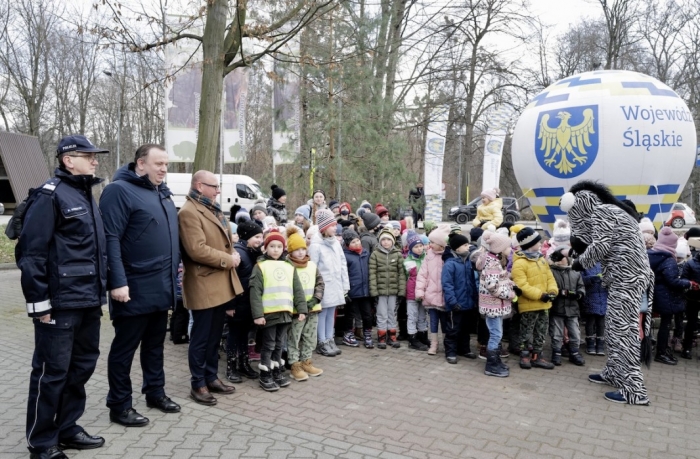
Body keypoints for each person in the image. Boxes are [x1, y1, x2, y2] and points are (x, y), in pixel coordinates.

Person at [18, 135, 109, 459]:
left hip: (87, 301)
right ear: (68, 160)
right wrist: (39, 305)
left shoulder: (86, 197)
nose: (95, 160)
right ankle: (41, 443)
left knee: (80, 368)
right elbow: (31, 254)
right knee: (51, 373)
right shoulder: (50, 196)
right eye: (89, 155)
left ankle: (68, 428)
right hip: (59, 304)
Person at [100, 144, 180, 426]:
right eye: (158, 164)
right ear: (140, 164)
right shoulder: (118, 191)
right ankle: (119, 405)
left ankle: (155, 392)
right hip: (132, 288)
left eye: (166, 164)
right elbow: (109, 239)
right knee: (125, 349)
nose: (164, 169)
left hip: (161, 286)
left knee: (155, 346)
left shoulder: (162, 194)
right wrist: (117, 282)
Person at [559, 181, 654, 405]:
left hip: (628, 279)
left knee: (623, 331)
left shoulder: (603, 212)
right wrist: (572, 252)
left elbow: (600, 246)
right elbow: (602, 244)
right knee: (613, 328)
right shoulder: (612, 212)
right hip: (624, 278)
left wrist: (578, 264)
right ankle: (614, 371)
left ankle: (634, 390)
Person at [178, 170, 244, 405]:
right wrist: (228, 259)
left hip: (219, 282)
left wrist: (231, 252)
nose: (218, 191)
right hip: (204, 283)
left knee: (215, 335)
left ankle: (211, 376)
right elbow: (196, 249)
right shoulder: (188, 212)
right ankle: (198, 384)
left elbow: (221, 241)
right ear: (198, 185)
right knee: (201, 337)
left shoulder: (210, 208)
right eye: (213, 186)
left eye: (218, 186)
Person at [249, 230, 307, 391]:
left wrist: (302, 309)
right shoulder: (260, 266)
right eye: (272, 246)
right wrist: (258, 314)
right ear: (266, 248)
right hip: (269, 314)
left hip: (285, 313)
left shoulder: (289, 266)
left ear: (284, 248)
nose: (275, 249)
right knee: (268, 344)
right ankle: (265, 373)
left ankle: (276, 371)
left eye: (279, 246)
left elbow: (298, 289)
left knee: (280, 344)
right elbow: (255, 292)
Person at [512, 227, 558, 370]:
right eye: (538, 241)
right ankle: (524, 355)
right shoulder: (519, 263)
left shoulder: (541, 260)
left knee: (541, 331)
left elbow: (549, 277)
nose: (541, 243)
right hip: (529, 304)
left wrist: (552, 291)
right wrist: (540, 295)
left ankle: (537, 356)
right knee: (526, 332)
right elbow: (522, 285)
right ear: (530, 244)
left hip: (544, 304)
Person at [647, 227, 694, 365]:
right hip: (666, 296)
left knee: (651, 324)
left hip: (652, 293)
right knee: (665, 325)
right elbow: (672, 280)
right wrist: (688, 283)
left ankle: (657, 350)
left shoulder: (650, 254)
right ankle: (661, 352)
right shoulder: (668, 259)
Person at [226, 221, 264, 383]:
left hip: (248, 302)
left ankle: (244, 363)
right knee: (234, 335)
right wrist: (230, 305)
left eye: (261, 236)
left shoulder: (252, 252)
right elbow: (229, 280)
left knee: (244, 334)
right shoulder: (239, 254)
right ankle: (231, 366)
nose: (260, 239)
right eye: (256, 236)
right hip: (238, 302)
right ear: (247, 236)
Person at [285, 226, 325, 381]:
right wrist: (300, 305)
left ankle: (306, 361)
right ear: (290, 251)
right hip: (297, 311)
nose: (301, 252)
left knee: (310, 336)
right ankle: (294, 365)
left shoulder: (312, 265)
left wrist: (316, 299)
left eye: (303, 248)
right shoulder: (287, 266)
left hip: (313, 308)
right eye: (297, 249)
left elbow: (320, 283)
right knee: (294, 337)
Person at [309, 209, 350, 356]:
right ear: (324, 228)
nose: (335, 227)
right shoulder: (316, 245)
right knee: (322, 312)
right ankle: (322, 341)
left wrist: (345, 284)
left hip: (335, 284)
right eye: (332, 225)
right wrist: (315, 288)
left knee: (331, 311)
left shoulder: (336, 243)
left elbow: (342, 264)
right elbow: (313, 268)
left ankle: (329, 338)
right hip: (323, 285)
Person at [475, 231, 516, 377]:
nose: (510, 249)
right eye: (507, 247)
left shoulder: (492, 260)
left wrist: (508, 282)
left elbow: (497, 280)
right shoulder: (492, 263)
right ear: (499, 248)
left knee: (496, 334)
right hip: (493, 306)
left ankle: (496, 361)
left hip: (492, 306)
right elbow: (493, 286)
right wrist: (510, 294)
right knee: (496, 335)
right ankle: (491, 365)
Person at [441, 233, 479, 364]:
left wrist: (474, 299)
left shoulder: (468, 262)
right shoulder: (450, 264)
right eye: (465, 245)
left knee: (465, 328)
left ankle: (464, 349)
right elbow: (447, 285)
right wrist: (453, 302)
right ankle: (450, 351)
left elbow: (472, 282)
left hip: (468, 303)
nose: (468, 247)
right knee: (453, 328)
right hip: (455, 304)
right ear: (457, 248)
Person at [416, 224, 450, 355]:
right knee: (433, 322)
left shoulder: (447, 256)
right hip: (430, 295)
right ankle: (434, 344)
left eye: (432, 242)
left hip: (444, 296)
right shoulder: (428, 255)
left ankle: (447, 344)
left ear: (441, 244)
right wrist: (420, 291)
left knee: (446, 323)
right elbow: (422, 275)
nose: (430, 245)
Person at [548, 248, 586, 366]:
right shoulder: (551, 272)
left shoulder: (575, 272)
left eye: (561, 258)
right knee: (556, 333)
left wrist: (579, 294)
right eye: (557, 258)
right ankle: (556, 352)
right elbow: (549, 286)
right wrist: (558, 292)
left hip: (572, 308)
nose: (559, 260)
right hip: (557, 307)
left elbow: (581, 286)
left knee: (575, 332)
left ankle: (574, 353)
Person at [370, 228, 407, 349]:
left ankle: (392, 336)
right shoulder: (375, 254)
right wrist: (373, 291)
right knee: (381, 314)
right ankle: (381, 336)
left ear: (393, 241)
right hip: (380, 291)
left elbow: (402, 274)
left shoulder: (397, 254)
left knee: (392, 313)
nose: (386, 242)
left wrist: (402, 291)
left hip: (393, 290)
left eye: (388, 239)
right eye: (383, 239)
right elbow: (372, 273)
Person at [342, 228, 374, 348]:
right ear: (347, 244)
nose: (356, 243)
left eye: (357, 240)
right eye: (353, 242)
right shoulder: (345, 255)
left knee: (367, 314)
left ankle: (367, 333)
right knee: (350, 314)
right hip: (352, 291)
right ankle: (348, 333)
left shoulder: (366, 253)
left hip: (365, 290)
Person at [403, 231, 429, 351]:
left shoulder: (427, 258)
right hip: (412, 294)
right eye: (416, 247)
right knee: (412, 316)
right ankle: (412, 338)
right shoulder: (407, 261)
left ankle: (423, 335)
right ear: (410, 248)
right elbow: (404, 277)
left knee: (422, 315)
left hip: (424, 293)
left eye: (420, 246)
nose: (419, 249)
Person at [581, 263, 608, 356]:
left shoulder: (605, 264)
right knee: (590, 320)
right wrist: (592, 279)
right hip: (590, 296)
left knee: (601, 321)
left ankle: (600, 344)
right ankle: (590, 343)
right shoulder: (585, 264)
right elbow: (581, 280)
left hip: (603, 296)